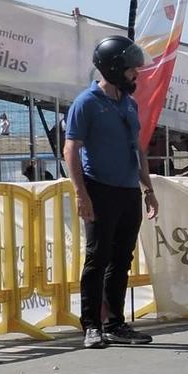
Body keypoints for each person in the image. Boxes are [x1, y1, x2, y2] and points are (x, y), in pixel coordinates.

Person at [62, 39, 160, 347]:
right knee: (98, 257)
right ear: (115, 69)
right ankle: (92, 325)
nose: (137, 76)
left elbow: (138, 150)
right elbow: (71, 149)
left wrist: (148, 189)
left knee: (122, 258)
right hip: (99, 189)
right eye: (132, 70)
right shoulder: (86, 103)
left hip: (129, 191)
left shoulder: (129, 104)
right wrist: (81, 194)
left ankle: (117, 323)